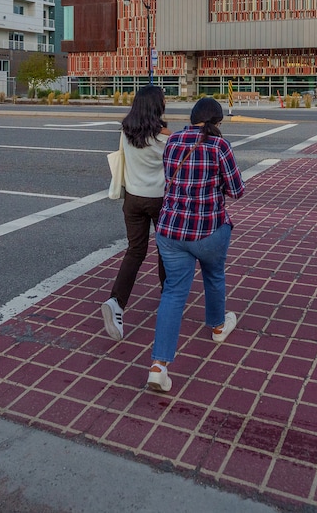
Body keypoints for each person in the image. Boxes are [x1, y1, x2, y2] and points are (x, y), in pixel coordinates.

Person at [147, 97, 245, 392]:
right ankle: (217, 327)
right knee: (213, 274)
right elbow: (237, 190)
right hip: (207, 231)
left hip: (170, 231)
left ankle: (158, 366)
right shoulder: (219, 146)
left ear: (192, 118)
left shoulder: (174, 140)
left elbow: (169, 179)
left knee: (174, 293)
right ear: (217, 122)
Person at [101, 85, 171, 341]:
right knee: (166, 249)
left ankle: (116, 303)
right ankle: (169, 296)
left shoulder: (126, 132)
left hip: (132, 199)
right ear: (157, 106)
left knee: (135, 251)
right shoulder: (166, 137)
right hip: (159, 200)